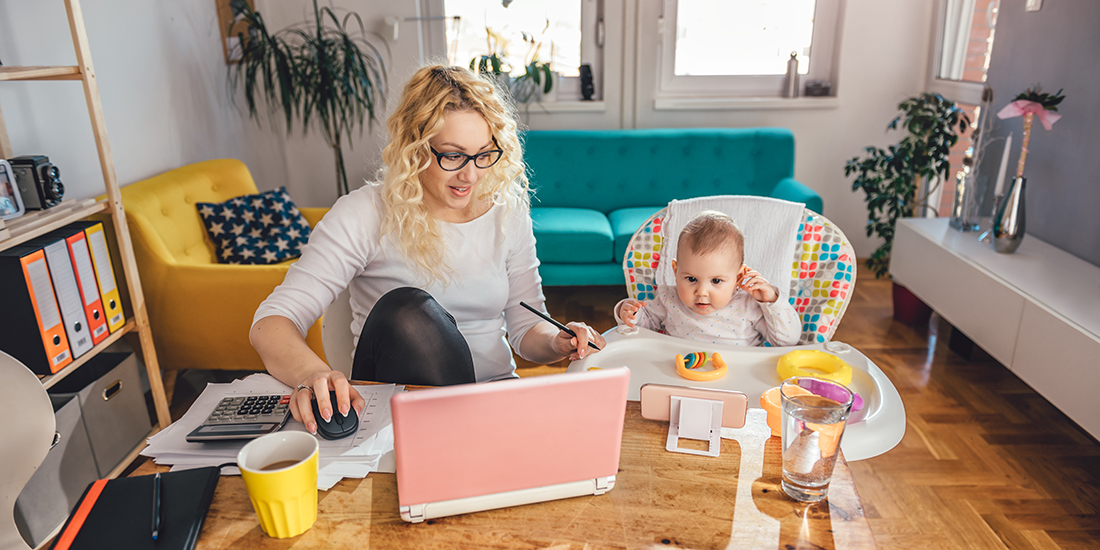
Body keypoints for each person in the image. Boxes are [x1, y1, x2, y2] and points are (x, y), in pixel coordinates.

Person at [250, 65, 604, 435]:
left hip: (495, 401)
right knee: (410, 310)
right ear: (415, 148)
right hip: (402, 406)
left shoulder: (507, 212)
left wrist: (558, 340)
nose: (471, 175)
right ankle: (465, 436)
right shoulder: (364, 214)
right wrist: (312, 372)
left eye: (484, 154)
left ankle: (476, 436)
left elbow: (526, 329)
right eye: (453, 156)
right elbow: (272, 322)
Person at [615, 210, 800, 346]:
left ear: (739, 277)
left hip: (735, 382)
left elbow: (786, 341)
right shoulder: (669, 298)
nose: (702, 292)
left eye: (716, 281)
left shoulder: (749, 305)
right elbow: (644, 326)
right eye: (691, 279)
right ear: (675, 270)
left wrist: (772, 301)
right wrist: (631, 314)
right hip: (679, 374)